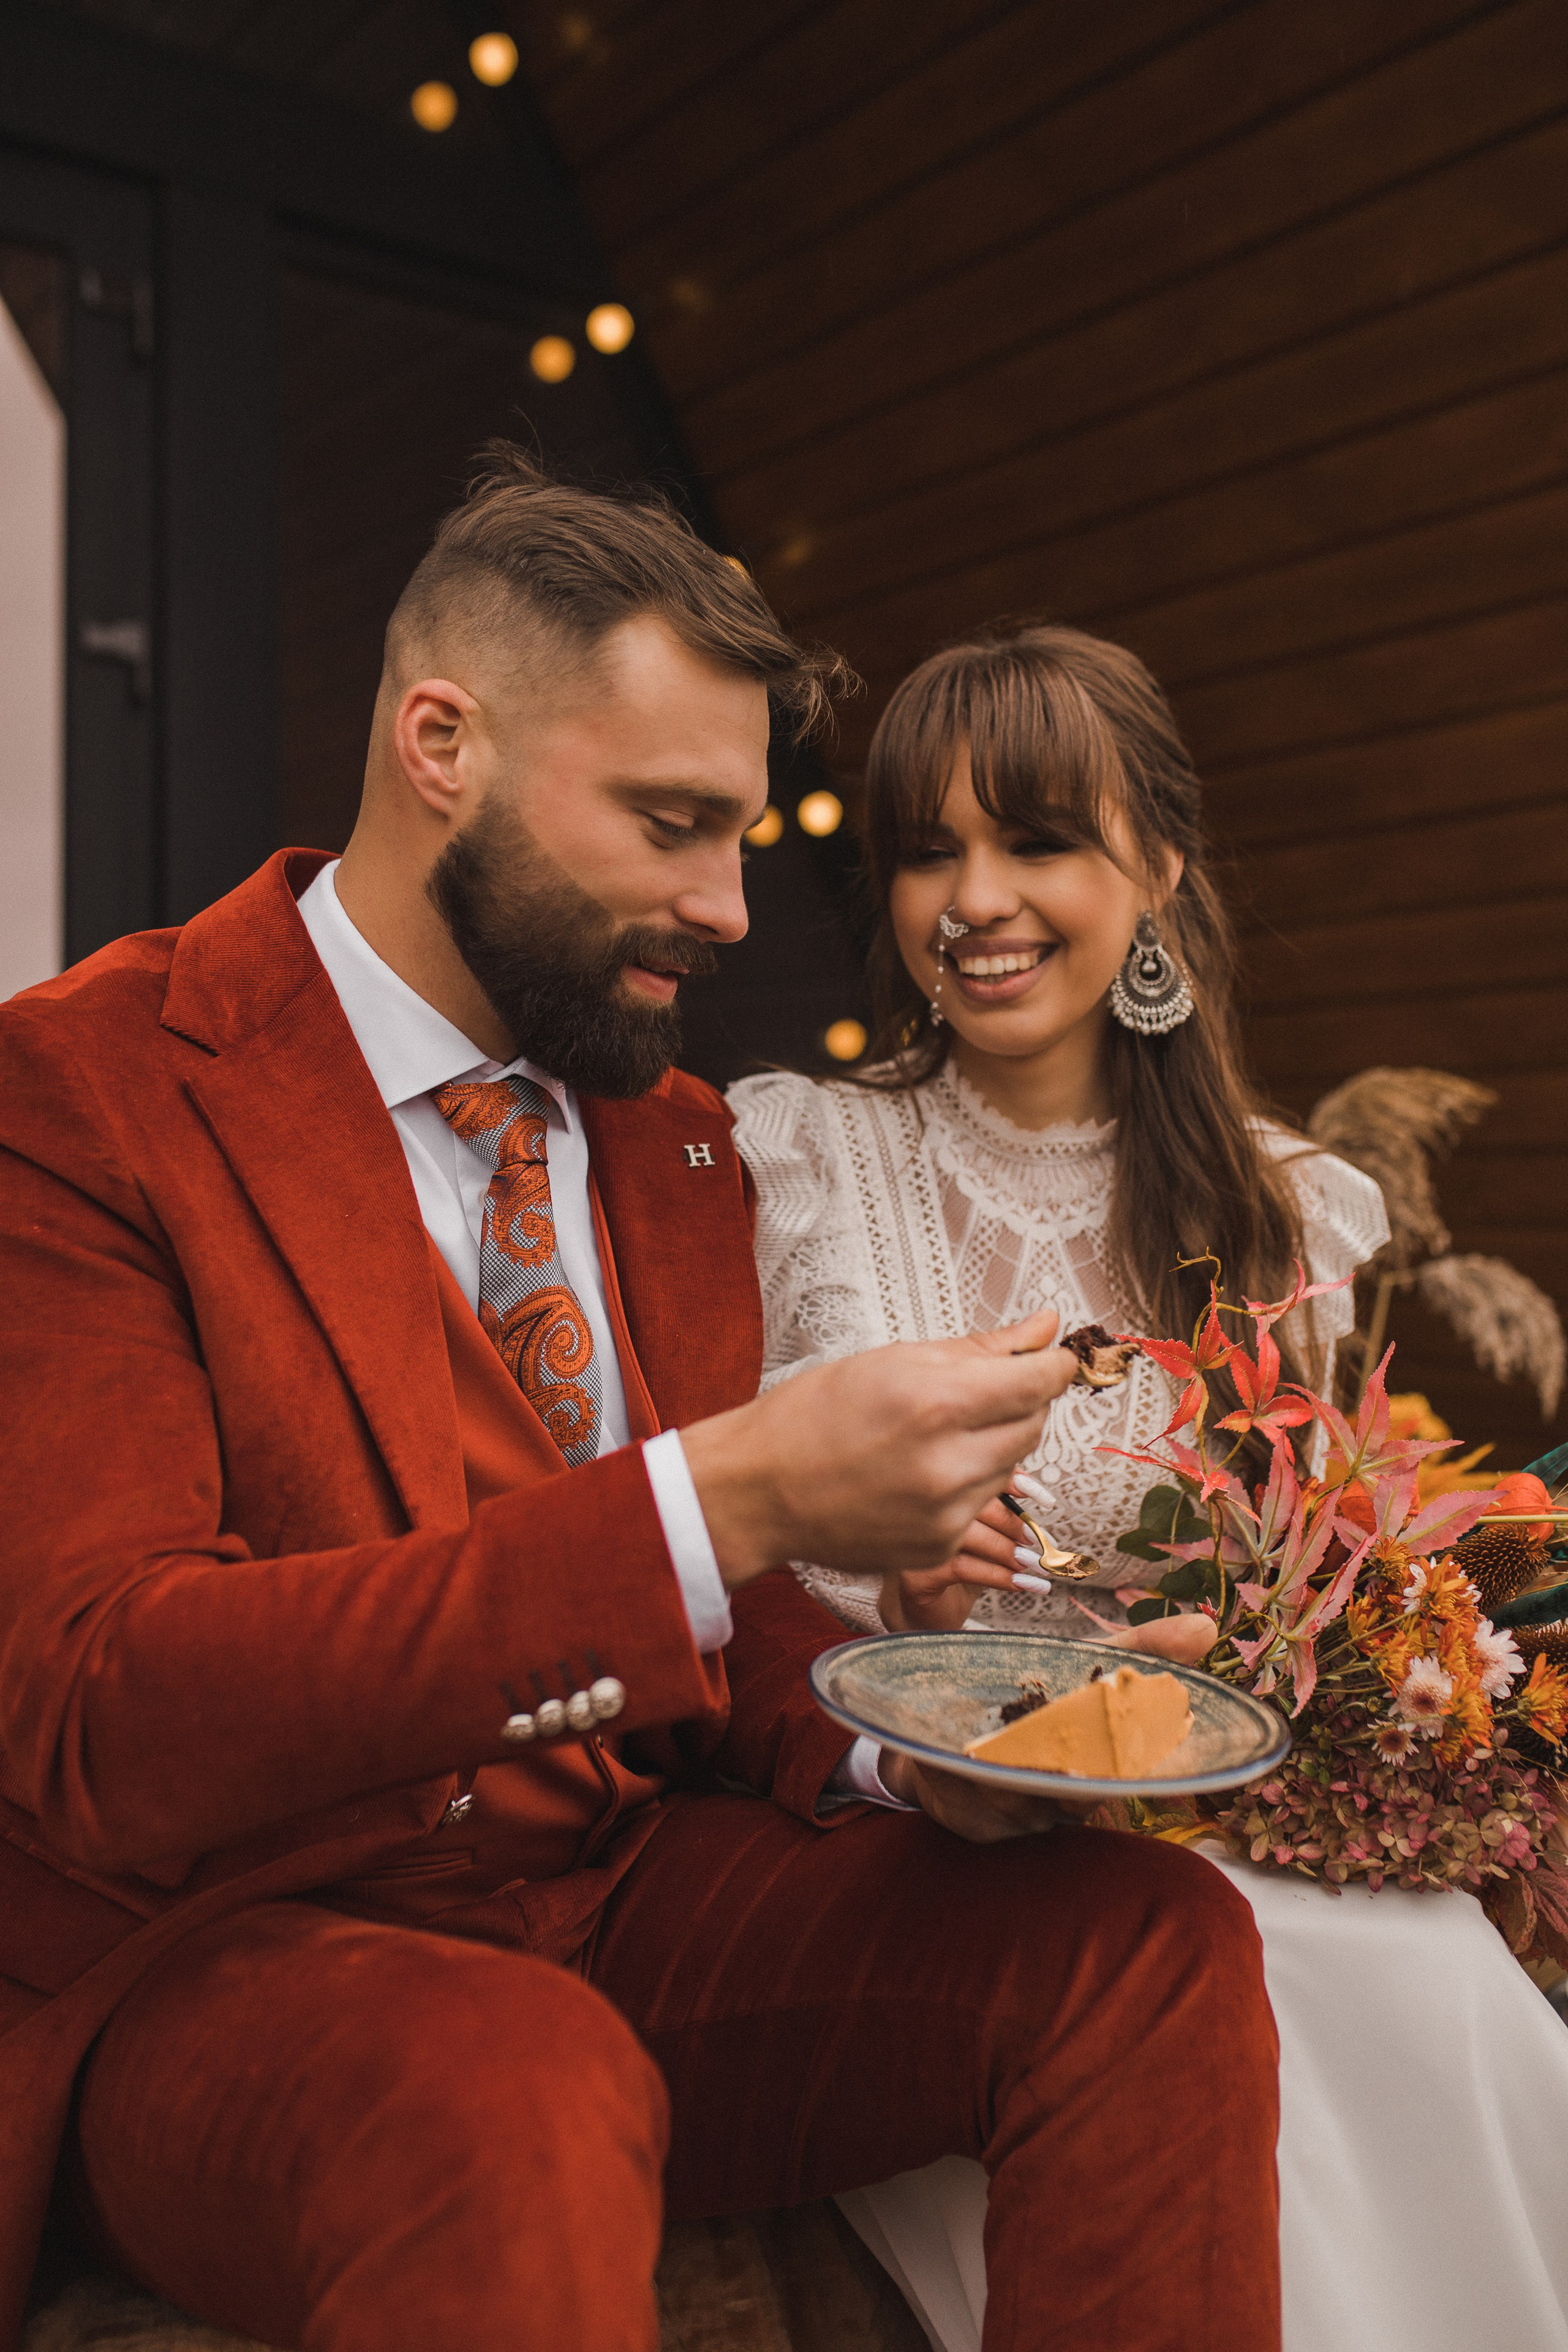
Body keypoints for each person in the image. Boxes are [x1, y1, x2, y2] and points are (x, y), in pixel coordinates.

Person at [0, 459, 1283, 2352]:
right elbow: (96, 1711)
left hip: (625, 1897)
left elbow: (740, 1629)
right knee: (506, 2085)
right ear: (443, 742)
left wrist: (903, 1750)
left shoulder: (674, 1144)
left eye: (750, 836)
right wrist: (728, 1492)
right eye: (675, 824)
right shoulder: (84, 1088)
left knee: (1145, 1945)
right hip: (222, 1949)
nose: (731, 907)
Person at [729, 621, 1568, 2352]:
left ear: (1158, 869)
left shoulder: (1288, 1211)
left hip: (1176, 1824)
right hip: (888, 1842)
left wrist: (1258, 1656)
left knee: (1435, 1992)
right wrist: (897, 1607)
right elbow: (718, 1546)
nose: (974, 898)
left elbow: (1285, 1589)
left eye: (1035, 840)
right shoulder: (792, 1151)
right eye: (926, 850)